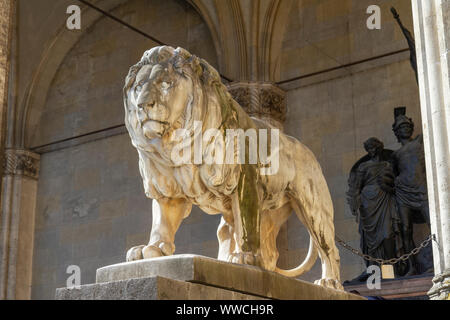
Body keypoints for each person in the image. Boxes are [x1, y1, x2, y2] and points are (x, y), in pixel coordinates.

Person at [347, 137, 403, 281]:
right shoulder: (363, 167)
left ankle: (391, 271)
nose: (371, 150)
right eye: (369, 148)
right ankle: (374, 272)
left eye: (373, 147)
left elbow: (395, 184)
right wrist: (355, 205)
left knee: (388, 235)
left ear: (379, 147)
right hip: (368, 205)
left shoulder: (387, 165)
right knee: (371, 240)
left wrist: (388, 186)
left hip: (384, 199)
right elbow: (356, 188)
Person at [391, 107, 432, 275]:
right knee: (406, 229)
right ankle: (411, 266)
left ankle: (439, 260)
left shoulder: (420, 141)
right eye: (401, 127)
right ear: (397, 132)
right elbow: (394, 175)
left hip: (422, 188)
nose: (405, 129)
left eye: (407, 126)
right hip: (403, 193)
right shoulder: (396, 154)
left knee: (433, 223)